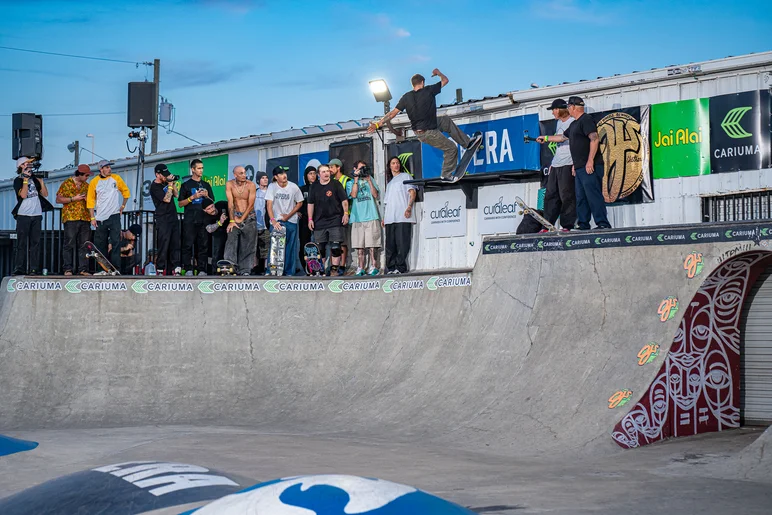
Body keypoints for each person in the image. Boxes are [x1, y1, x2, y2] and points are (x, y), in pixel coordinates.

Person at [368, 69, 482, 182]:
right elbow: (445, 80)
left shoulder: (406, 97)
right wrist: (438, 73)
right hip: (429, 133)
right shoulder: (429, 90)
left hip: (423, 129)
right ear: (422, 82)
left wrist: (378, 124)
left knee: (445, 120)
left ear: (413, 84)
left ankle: (467, 143)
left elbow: (392, 113)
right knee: (451, 148)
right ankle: (446, 174)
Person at [547, 96, 611, 230]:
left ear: (573, 107)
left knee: (593, 195)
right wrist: (545, 138)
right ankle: (583, 224)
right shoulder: (574, 124)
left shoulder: (586, 119)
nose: (568, 109)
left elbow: (594, 139)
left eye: (569, 107)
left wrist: (590, 161)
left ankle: (603, 224)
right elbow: (562, 137)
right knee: (581, 197)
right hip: (579, 167)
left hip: (591, 166)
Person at [535, 98, 576, 232]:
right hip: (556, 164)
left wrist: (545, 138)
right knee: (550, 195)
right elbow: (558, 146)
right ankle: (547, 225)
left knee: (566, 195)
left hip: (568, 163)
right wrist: (553, 163)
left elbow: (562, 138)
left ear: (560, 109)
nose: (553, 113)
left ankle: (567, 225)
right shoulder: (558, 122)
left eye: (554, 110)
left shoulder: (573, 122)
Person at [12, 157, 53, 275]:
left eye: (30, 164)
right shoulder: (17, 180)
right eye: (26, 164)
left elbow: (45, 194)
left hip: (36, 214)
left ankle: (33, 268)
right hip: (23, 215)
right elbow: (23, 195)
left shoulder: (35, 179)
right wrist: (25, 179)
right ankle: (19, 267)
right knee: (22, 243)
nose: (29, 166)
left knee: (35, 243)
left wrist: (41, 182)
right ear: (20, 166)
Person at [87, 159, 131, 269]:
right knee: (100, 244)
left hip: (114, 215)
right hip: (100, 217)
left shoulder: (116, 178)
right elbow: (90, 201)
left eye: (110, 167)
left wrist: (122, 206)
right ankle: (103, 268)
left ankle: (115, 268)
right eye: (107, 167)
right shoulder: (94, 182)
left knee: (116, 242)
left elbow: (126, 192)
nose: (109, 169)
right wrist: (92, 217)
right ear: (101, 169)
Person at [307, 164, 349, 276]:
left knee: (335, 247)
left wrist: (345, 214)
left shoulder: (336, 184)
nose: (326, 173)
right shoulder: (314, 187)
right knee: (320, 248)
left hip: (335, 220)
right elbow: (310, 204)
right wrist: (310, 219)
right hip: (319, 221)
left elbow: (344, 200)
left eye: (327, 171)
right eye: (323, 172)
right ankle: (320, 271)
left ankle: (334, 270)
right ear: (319, 174)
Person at [266, 166, 304, 276]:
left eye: (285, 173)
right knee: (274, 246)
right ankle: (271, 271)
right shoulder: (272, 187)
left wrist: (288, 215)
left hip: (291, 221)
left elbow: (300, 203)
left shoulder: (293, 187)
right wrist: (273, 220)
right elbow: (269, 205)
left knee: (290, 247)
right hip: (277, 221)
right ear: (276, 177)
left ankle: (288, 272)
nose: (284, 175)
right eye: (281, 173)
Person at [56, 163, 92, 275]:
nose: (87, 178)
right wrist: (73, 199)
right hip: (71, 217)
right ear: (80, 174)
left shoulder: (87, 186)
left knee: (84, 244)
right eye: (86, 175)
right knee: (69, 243)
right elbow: (58, 199)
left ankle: (83, 269)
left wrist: (88, 199)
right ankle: (67, 268)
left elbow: (94, 200)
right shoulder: (67, 183)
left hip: (85, 217)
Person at [179, 159, 214, 275]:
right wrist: (192, 197)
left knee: (203, 245)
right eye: (199, 168)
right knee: (188, 244)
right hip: (190, 219)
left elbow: (212, 201)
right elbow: (180, 203)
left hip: (203, 219)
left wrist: (207, 195)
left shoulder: (206, 184)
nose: (201, 170)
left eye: (202, 168)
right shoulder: (186, 185)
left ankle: (202, 269)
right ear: (193, 169)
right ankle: (188, 268)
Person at [382, 156, 417, 274]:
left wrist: (409, 207)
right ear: (390, 166)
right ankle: (391, 268)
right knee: (390, 245)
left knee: (402, 244)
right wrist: (384, 217)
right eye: (393, 163)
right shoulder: (390, 183)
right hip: (390, 218)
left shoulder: (405, 177)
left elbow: (412, 192)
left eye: (397, 163)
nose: (396, 165)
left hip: (402, 217)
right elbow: (386, 202)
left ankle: (400, 268)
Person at [347, 160, 381, 275]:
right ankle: (360, 267)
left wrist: (369, 180)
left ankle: (374, 266)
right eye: (360, 168)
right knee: (359, 246)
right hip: (357, 218)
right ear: (355, 169)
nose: (362, 170)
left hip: (371, 215)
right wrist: (356, 179)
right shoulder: (350, 182)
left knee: (372, 245)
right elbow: (353, 195)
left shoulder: (370, 179)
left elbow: (376, 195)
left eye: (364, 168)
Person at [224, 166, 257, 275]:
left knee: (248, 244)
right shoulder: (229, 184)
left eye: (245, 173)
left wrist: (242, 219)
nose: (244, 175)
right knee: (231, 238)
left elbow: (251, 204)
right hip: (235, 215)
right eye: (241, 173)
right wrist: (232, 220)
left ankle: (245, 269)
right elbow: (230, 202)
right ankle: (230, 265)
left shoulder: (251, 185)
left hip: (249, 216)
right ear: (235, 175)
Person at [149, 163, 182, 275]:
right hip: (163, 218)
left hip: (173, 216)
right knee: (164, 243)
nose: (165, 177)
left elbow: (176, 195)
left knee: (175, 243)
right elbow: (166, 199)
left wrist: (173, 184)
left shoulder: (168, 183)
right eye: (163, 175)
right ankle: (160, 268)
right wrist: (169, 185)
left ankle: (176, 267)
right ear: (157, 174)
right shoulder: (154, 186)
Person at [328, 158, 351, 273]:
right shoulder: (330, 181)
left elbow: (348, 198)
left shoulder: (346, 180)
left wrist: (346, 213)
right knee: (334, 242)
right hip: (332, 216)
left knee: (342, 242)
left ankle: (342, 265)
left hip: (342, 215)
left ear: (338, 168)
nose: (330, 170)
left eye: (332, 167)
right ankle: (333, 266)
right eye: (329, 167)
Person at [298, 166, 317, 271]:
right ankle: (305, 266)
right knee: (304, 243)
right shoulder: (302, 189)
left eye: (314, 173)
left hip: (318, 219)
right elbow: (295, 202)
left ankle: (317, 266)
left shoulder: (320, 187)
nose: (313, 176)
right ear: (306, 176)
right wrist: (297, 211)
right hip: (304, 220)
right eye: (310, 174)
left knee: (317, 244)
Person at [253, 171, 271, 274]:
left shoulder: (271, 192)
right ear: (258, 180)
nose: (265, 179)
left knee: (266, 247)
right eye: (263, 178)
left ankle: (265, 267)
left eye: (266, 177)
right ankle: (255, 267)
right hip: (255, 224)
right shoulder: (255, 192)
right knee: (255, 247)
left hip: (267, 224)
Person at [205, 199, 229, 266]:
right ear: (205, 210)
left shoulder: (221, 204)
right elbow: (209, 229)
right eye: (209, 209)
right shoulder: (205, 217)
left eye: (212, 207)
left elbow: (233, 207)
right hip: (218, 232)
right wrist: (220, 222)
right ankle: (215, 270)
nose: (212, 209)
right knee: (217, 250)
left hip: (231, 227)